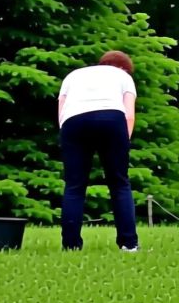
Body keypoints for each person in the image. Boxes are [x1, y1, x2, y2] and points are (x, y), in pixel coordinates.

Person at [58, 50, 140, 252]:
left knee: (74, 185)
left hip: (73, 122)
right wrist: (123, 141)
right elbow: (128, 114)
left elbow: (61, 111)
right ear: (123, 68)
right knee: (119, 182)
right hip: (111, 119)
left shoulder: (73, 75)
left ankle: (71, 245)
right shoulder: (123, 77)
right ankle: (128, 244)